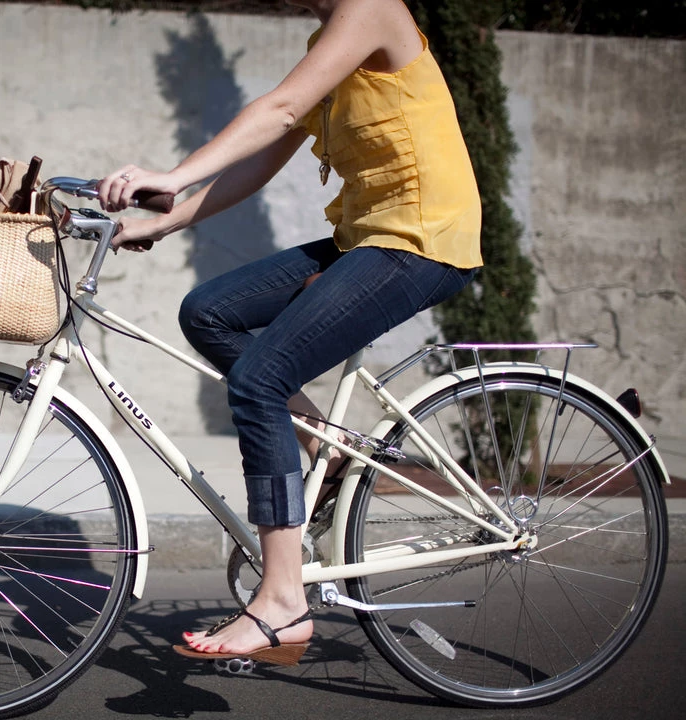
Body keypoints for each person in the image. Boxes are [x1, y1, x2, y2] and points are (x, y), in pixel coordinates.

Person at [97, 0, 482, 664]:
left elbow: (276, 110)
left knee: (259, 378)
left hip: (421, 241)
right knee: (208, 311)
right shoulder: (329, 36)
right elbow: (266, 154)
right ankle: (323, 443)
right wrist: (164, 220)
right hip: (366, 240)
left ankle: (282, 603)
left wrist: (172, 174)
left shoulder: (372, 9)